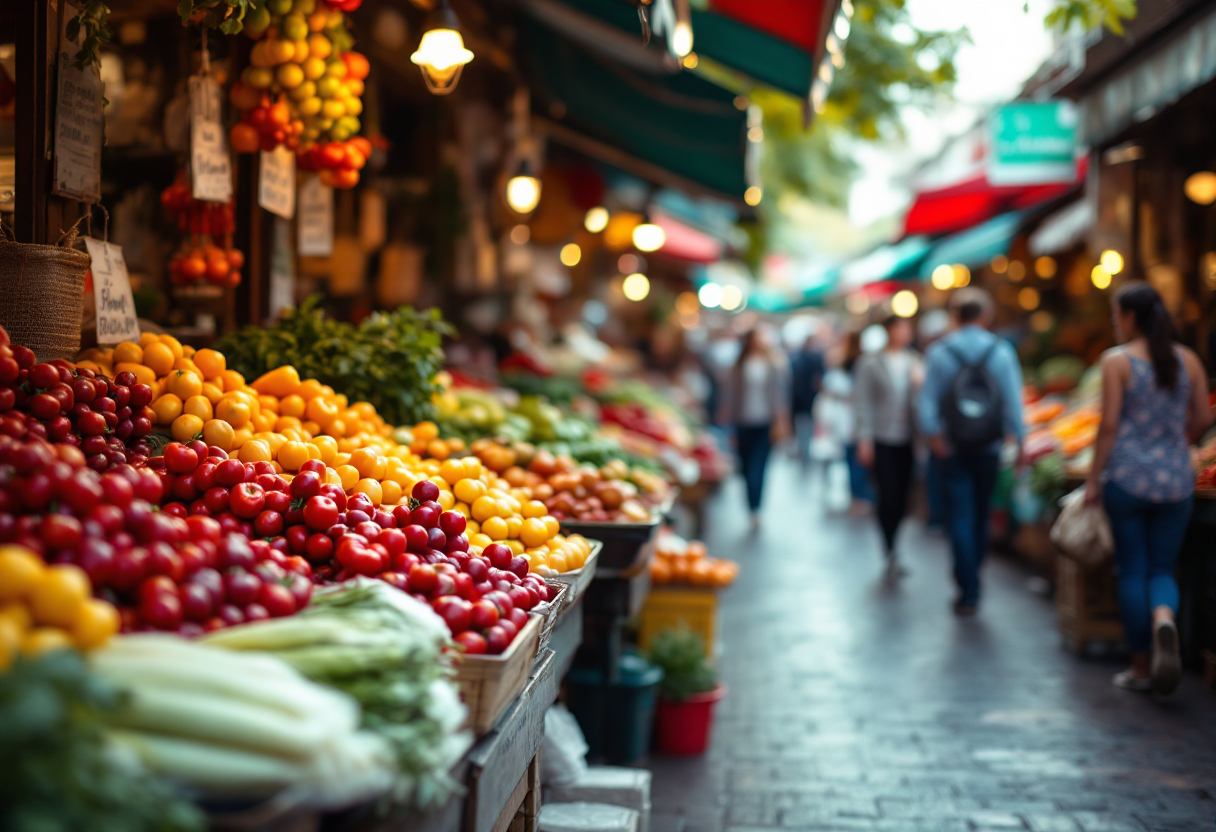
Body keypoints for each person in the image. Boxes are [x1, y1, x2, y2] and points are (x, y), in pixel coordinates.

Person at [1083, 282, 1212, 694]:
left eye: (1115, 314)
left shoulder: (1116, 362)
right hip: (1176, 479)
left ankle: (1141, 667)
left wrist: (1092, 478)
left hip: (1127, 480)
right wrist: (1175, 443)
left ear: (1130, 316)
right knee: (1161, 569)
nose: (1113, 322)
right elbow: (1202, 419)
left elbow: (1108, 426)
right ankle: (1163, 620)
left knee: (1132, 569)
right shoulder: (1187, 359)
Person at [918, 289, 1025, 615]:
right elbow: (1013, 402)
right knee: (981, 514)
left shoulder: (939, 352)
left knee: (960, 516)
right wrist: (1021, 441)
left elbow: (925, 404)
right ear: (985, 316)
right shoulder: (1001, 351)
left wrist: (936, 439)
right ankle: (973, 574)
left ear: (955, 317)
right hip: (989, 447)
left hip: (954, 448)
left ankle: (968, 588)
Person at [855, 315, 924, 575]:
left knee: (904, 494)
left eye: (907, 328)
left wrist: (920, 383)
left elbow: (922, 402)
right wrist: (864, 437)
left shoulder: (915, 361)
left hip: (908, 438)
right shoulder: (870, 363)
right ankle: (889, 545)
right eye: (900, 327)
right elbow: (862, 402)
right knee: (888, 493)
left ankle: (894, 541)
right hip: (882, 438)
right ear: (888, 331)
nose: (904, 332)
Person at [718, 328, 790, 529]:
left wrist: (781, 422)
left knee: (759, 466)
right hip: (743, 422)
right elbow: (730, 395)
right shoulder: (738, 366)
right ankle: (750, 503)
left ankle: (756, 507)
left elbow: (779, 396)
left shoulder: (772, 365)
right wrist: (728, 422)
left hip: (764, 423)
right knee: (746, 466)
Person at [789, 335, 826, 466]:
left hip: (803, 400)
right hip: (806, 399)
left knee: (803, 426)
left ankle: (803, 449)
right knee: (806, 426)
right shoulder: (814, 359)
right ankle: (804, 449)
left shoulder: (798, 358)